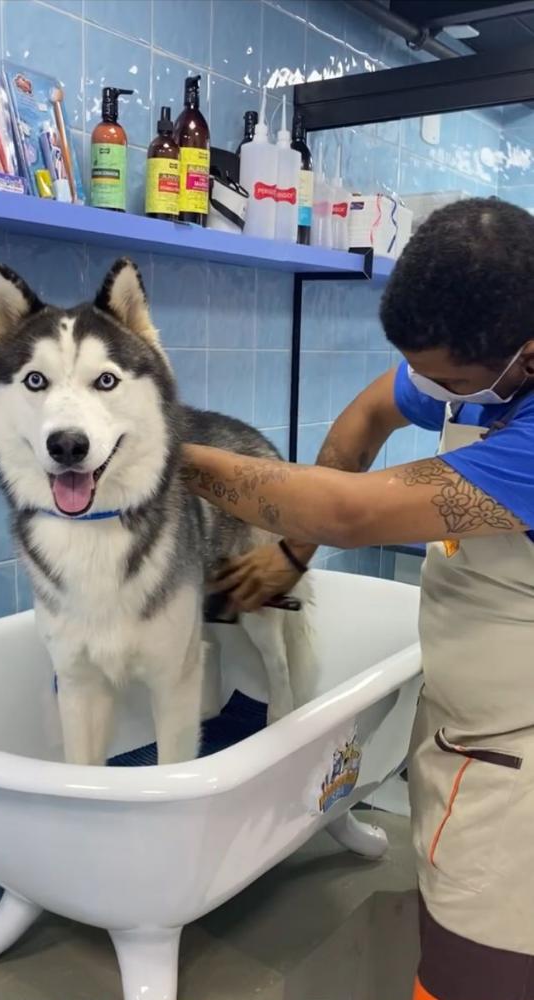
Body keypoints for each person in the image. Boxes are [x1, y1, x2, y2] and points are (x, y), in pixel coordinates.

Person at [183, 198, 534, 1000]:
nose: (436, 394)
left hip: (522, 766)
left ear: (527, 352)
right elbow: (371, 412)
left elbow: (350, 510)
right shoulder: (488, 365)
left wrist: (160, 450)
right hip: (474, 727)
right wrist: (290, 557)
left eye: (452, 381)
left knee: (482, 972)